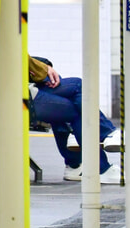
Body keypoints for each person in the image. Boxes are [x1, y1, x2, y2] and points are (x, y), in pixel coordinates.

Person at [29, 56, 123, 184]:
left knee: (72, 97)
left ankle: (75, 165)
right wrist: (45, 70)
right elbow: (21, 58)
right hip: (23, 96)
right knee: (77, 104)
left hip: (22, 91)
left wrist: (45, 70)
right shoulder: (7, 40)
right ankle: (102, 159)